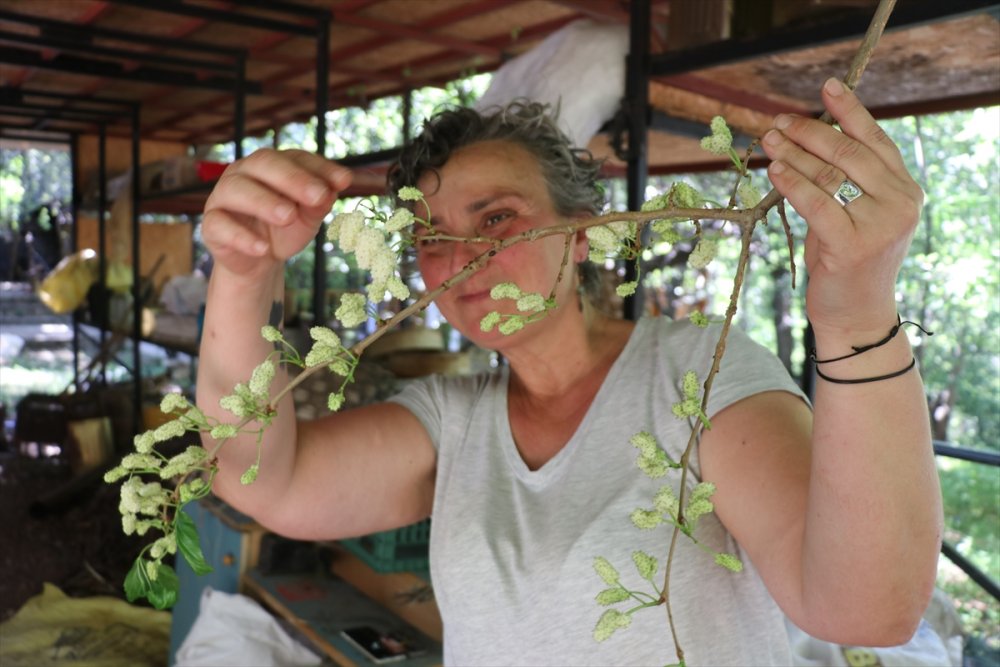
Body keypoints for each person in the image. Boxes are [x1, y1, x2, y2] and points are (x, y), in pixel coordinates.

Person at [197, 79, 943, 666]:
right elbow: (264, 478)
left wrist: (856, 314)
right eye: (431, 237)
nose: (463, 260)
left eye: (496, 218)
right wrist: (242, 271)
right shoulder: (454, 420)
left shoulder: (697, 376)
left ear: (583, 233)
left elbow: (864, 608)